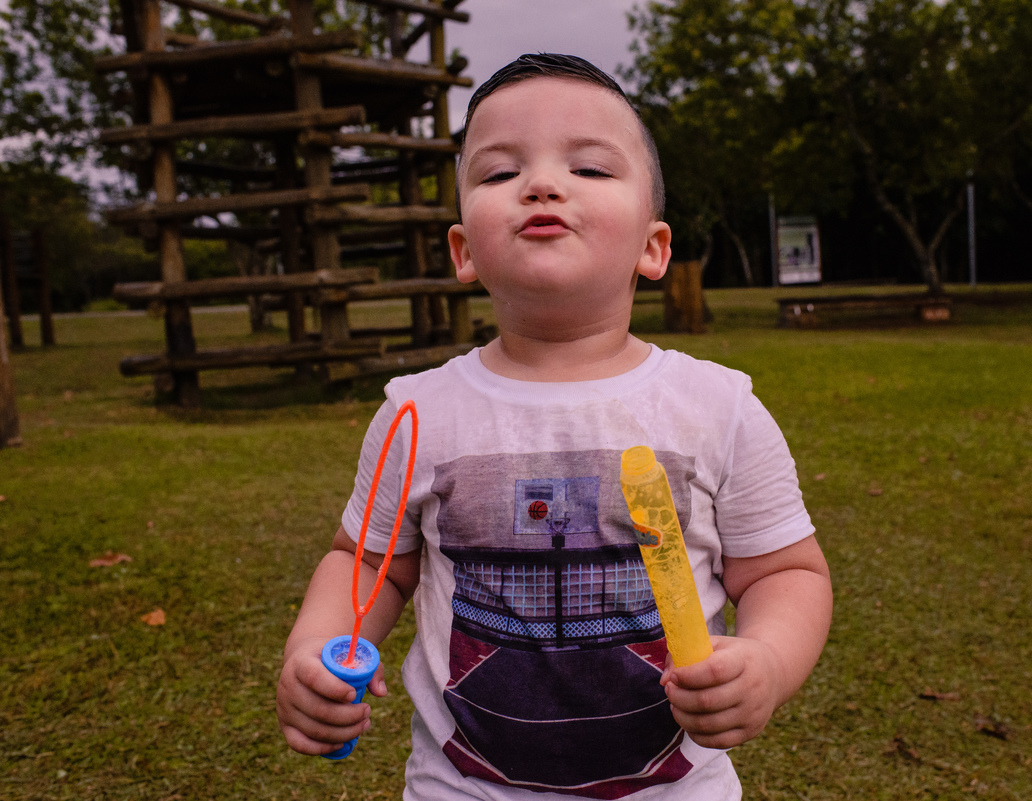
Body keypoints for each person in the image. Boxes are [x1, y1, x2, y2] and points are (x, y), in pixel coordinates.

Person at [277, 53, 833, 800]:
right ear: (464, 250)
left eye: (592, 170)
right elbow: (367, 563)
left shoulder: (719, 407)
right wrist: (317, 647)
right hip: (463, 787)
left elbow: (784, 572)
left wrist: (767, 657)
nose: (542, 184)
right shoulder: (416, 412)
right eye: (500, 173)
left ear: (652, 247)